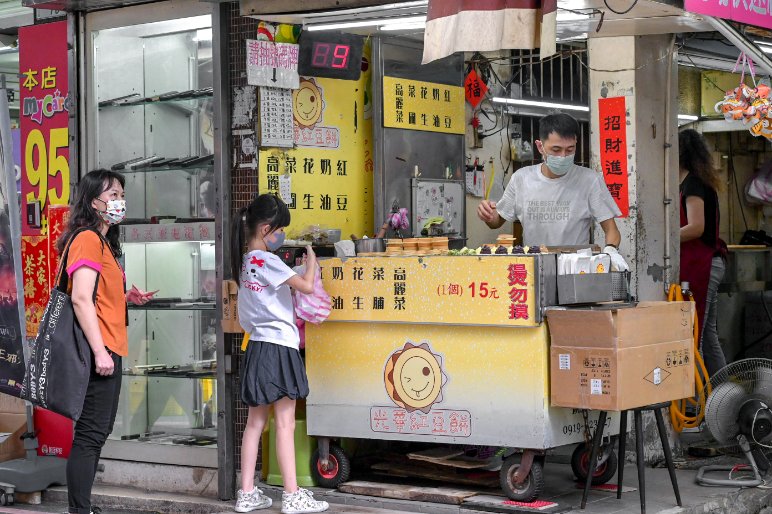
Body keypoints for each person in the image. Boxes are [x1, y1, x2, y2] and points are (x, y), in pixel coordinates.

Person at [60, 169, 155, 514]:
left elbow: (97, 295)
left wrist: (126, 296)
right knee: (89, 435)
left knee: (94, 434)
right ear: (92, 200)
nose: (118, 201)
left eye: (120, 194)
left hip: (108, 346)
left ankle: (81, 507)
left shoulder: (102, 241)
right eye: (111, 195)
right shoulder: (87, 238)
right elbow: (81, 299)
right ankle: (79, 510)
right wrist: (101, 353)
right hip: (98, 350)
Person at [231, 193, 328, 514]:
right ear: (266, 228)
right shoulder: (268, 261)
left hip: (257, 346)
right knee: (285, 423)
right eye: (279, 230)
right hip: (279, 347)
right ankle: (292, 494)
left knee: (255, 423)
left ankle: (246, 493)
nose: (281, 236)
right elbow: (308, 287)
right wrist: (311, 259)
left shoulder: (245, 263)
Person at [477, 113, 627, 269]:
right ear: (540, 146)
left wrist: (611, 250)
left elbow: (612, 230)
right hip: (533, 268)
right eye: (556, 149)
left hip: (575, 269)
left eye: (570, 149)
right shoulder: (521, 178)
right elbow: (496, 221)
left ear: (576, 143)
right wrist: (487, 214)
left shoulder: (590, 180)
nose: (563, 156)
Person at [679, 129, 727, 377]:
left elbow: (696, 227)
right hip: (709, 262)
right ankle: (722, 394)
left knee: (695, 331)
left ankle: (694, 402)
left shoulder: (693, 184)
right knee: (707, 334)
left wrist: (665, 239)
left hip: (704, 264)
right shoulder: (697, 181)